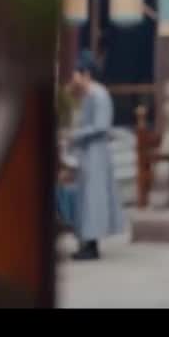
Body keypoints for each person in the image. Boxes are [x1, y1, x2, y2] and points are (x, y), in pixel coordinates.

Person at [66, 52, 125, 261]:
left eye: (75, 74)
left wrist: (75, 135)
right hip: (86, 152)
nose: (73, 79)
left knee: (93, 199)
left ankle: (91, 244)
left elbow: (101, 126)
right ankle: (86, 242)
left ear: (86, 74)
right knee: (85, 199)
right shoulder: (86, 94)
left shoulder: (99, 95)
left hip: (96, 153)